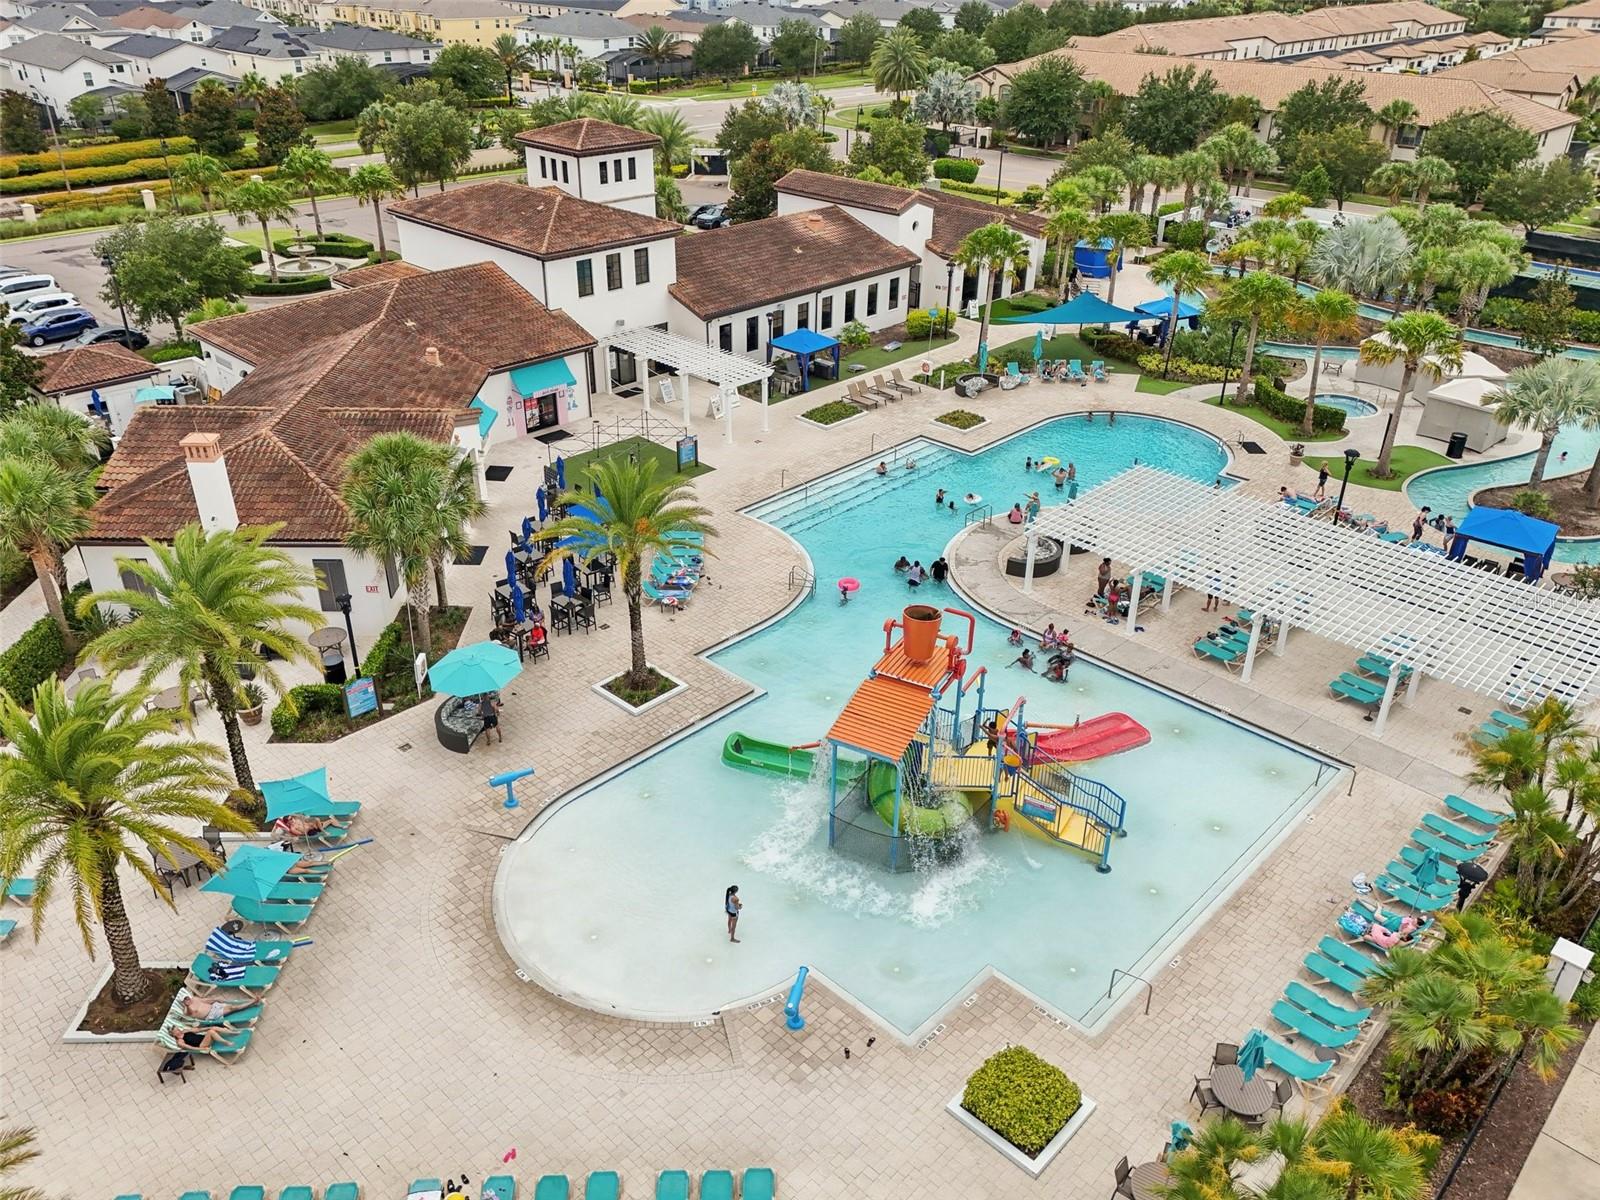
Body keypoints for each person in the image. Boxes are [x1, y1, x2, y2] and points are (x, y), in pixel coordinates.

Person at [169, 1023, 247, 1054]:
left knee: (213, 1028)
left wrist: (210, 1027)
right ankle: (226, 1042)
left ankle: (233, 1032)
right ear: (173, 1034)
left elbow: (199, 1030)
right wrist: (201, 1049)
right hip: (202, 1045)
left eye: (178, 1029)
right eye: (176, 1031)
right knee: (211, 1032)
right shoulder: (180, 1041)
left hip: (205, 1039)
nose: (178, 1031)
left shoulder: (185, 1031)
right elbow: (190, 1048)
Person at [182, 994, 256, 1023]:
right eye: (186, 1000)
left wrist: (215, 999)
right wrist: (187, 1006)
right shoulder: (186, 1010)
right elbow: (190, 1013)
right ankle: (253, 1002)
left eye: (187, 998)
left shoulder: (194, 999)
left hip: (214, 1006)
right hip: (211, 1015)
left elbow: (206, 1000)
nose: (188, 999)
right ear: (184, 1002)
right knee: (232, 1008)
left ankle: (250, 1001)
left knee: (232, 1004)